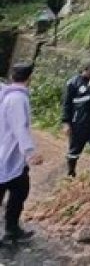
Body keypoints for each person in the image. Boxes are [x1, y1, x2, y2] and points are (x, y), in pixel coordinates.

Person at [0, 63, 39, 245]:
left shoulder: (7, 93)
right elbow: (20, 128)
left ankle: (12, 229)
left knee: (19, 189)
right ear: (29, 78)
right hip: (8, 155)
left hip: (9, 154)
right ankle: (11, 229)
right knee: (18, 190)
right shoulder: (17, 98)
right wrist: (30, 152)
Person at [60, 61, 90, 177]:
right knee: (75, 149)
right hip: (78, 122)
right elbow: (66, 104)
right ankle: (71, 172)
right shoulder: (73, 83)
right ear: (85, 69)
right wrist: (66, 123)